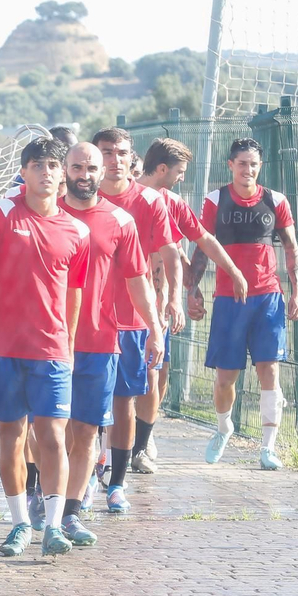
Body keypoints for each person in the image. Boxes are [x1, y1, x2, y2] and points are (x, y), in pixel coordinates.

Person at [0, 137, 97, 558]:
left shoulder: (78, 230)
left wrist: (68, 341)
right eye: (37, 165)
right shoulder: (2, 213)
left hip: (51, 350)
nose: (46, 172)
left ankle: (54, 526)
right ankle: (19, 524)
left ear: (62, 174)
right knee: (10, 435)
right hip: (2, 347)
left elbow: (74, 291)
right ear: (24, 172)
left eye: (52, 165)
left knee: (52, 435)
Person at [58, 143, 161, 545]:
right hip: (50, 342)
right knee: (51, 429)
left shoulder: (120, 221)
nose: (84, 175)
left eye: (91, 168)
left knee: (89, 428)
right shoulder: (47, 213)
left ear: (103, 173)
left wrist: (154, 327)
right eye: (77, 167)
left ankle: (74, 509)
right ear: (65, 170)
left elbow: (138, 280)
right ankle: (45, 498)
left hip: (101, 339)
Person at [190, 137, 298, 470]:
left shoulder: (276, 200)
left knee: (270, 370)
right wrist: (192, 289)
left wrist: (297, 291)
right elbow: (201, 249)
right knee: (226, 378)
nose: (248, 170)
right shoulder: (215, 200)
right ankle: (224, 427)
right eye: (242, 164)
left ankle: (268, 447)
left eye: (253, 164)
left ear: (260, 166)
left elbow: (291, 248)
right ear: (231, 165)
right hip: (229, 299)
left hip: (268, 297)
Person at [137, 138, 249, 448]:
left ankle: (144, 437)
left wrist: (231, 271)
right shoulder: (126, 198)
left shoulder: (173, 203)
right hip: (123, 306)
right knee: (127, 381)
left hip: (159, 306)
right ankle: (112, 447)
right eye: (180, 171)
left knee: (158, 375)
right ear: (162, 169)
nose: (182, 178)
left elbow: (202, 240)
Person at [91, 127, 180, 509]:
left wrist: (172, 299)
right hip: (87, 317)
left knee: (124, 401)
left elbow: (170, 251)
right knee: (87, 402)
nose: (115, 160)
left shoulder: (149, 200)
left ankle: (117, 482)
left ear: (132, 158)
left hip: (131, 317)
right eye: (107, 152)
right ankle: (90, 468)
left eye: (121, 152)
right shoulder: (76, 199)